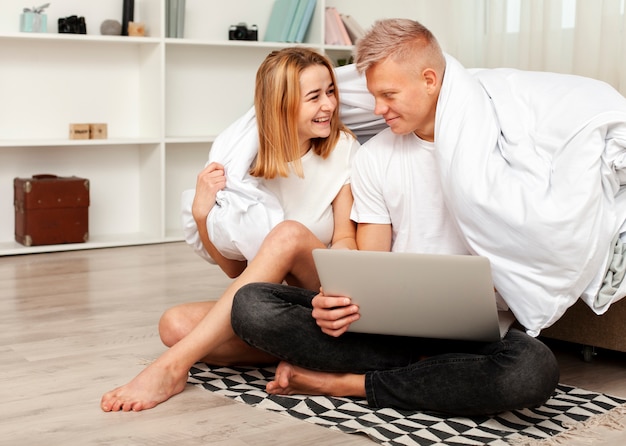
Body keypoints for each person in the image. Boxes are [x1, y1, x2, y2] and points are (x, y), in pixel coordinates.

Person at [229, 19, 561, 416]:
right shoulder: (374, 159)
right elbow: (372, 267)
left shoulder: (502, 147)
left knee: (532, 370)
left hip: (480, 334)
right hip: (390, 333)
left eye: (388, 95)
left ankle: (349, 383)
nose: (377, 110)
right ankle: (430, 376)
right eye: (372, 96)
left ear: (430, 80)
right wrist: (335, 302)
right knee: (251, 305)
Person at [100, 47, 360, 412]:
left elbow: (348, 238)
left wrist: (340, 275)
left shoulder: (343, 149)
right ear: (280, 103)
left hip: (325, 293)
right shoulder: (246, 170)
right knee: (173, 325)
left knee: (288, 233)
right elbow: (238, 272)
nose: (329, 105)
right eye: (314, 97)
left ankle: (172, 367)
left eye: (330, 91)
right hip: (279, 307)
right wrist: (203, 215)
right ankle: (311, 354)